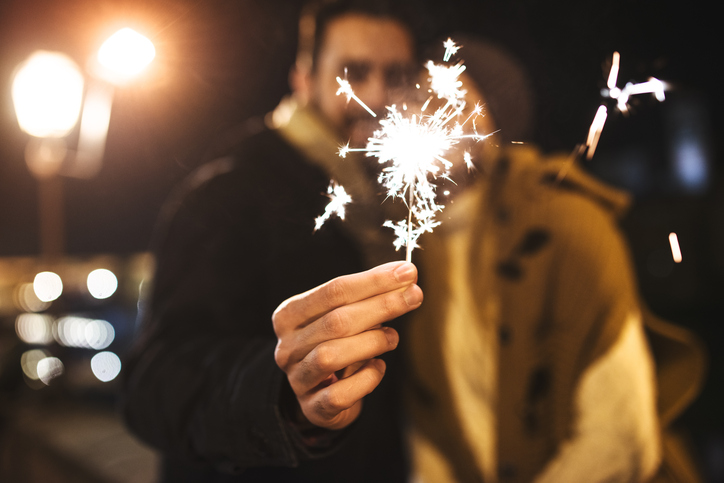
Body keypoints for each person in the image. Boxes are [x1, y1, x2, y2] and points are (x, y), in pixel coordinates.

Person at [123, 1, 704, 482]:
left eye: (395, 75)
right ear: (303, 79)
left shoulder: (392, 210)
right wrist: (282, 396)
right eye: (353, 73)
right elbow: (153, 383)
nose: (374, 95)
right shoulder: (230, 192)